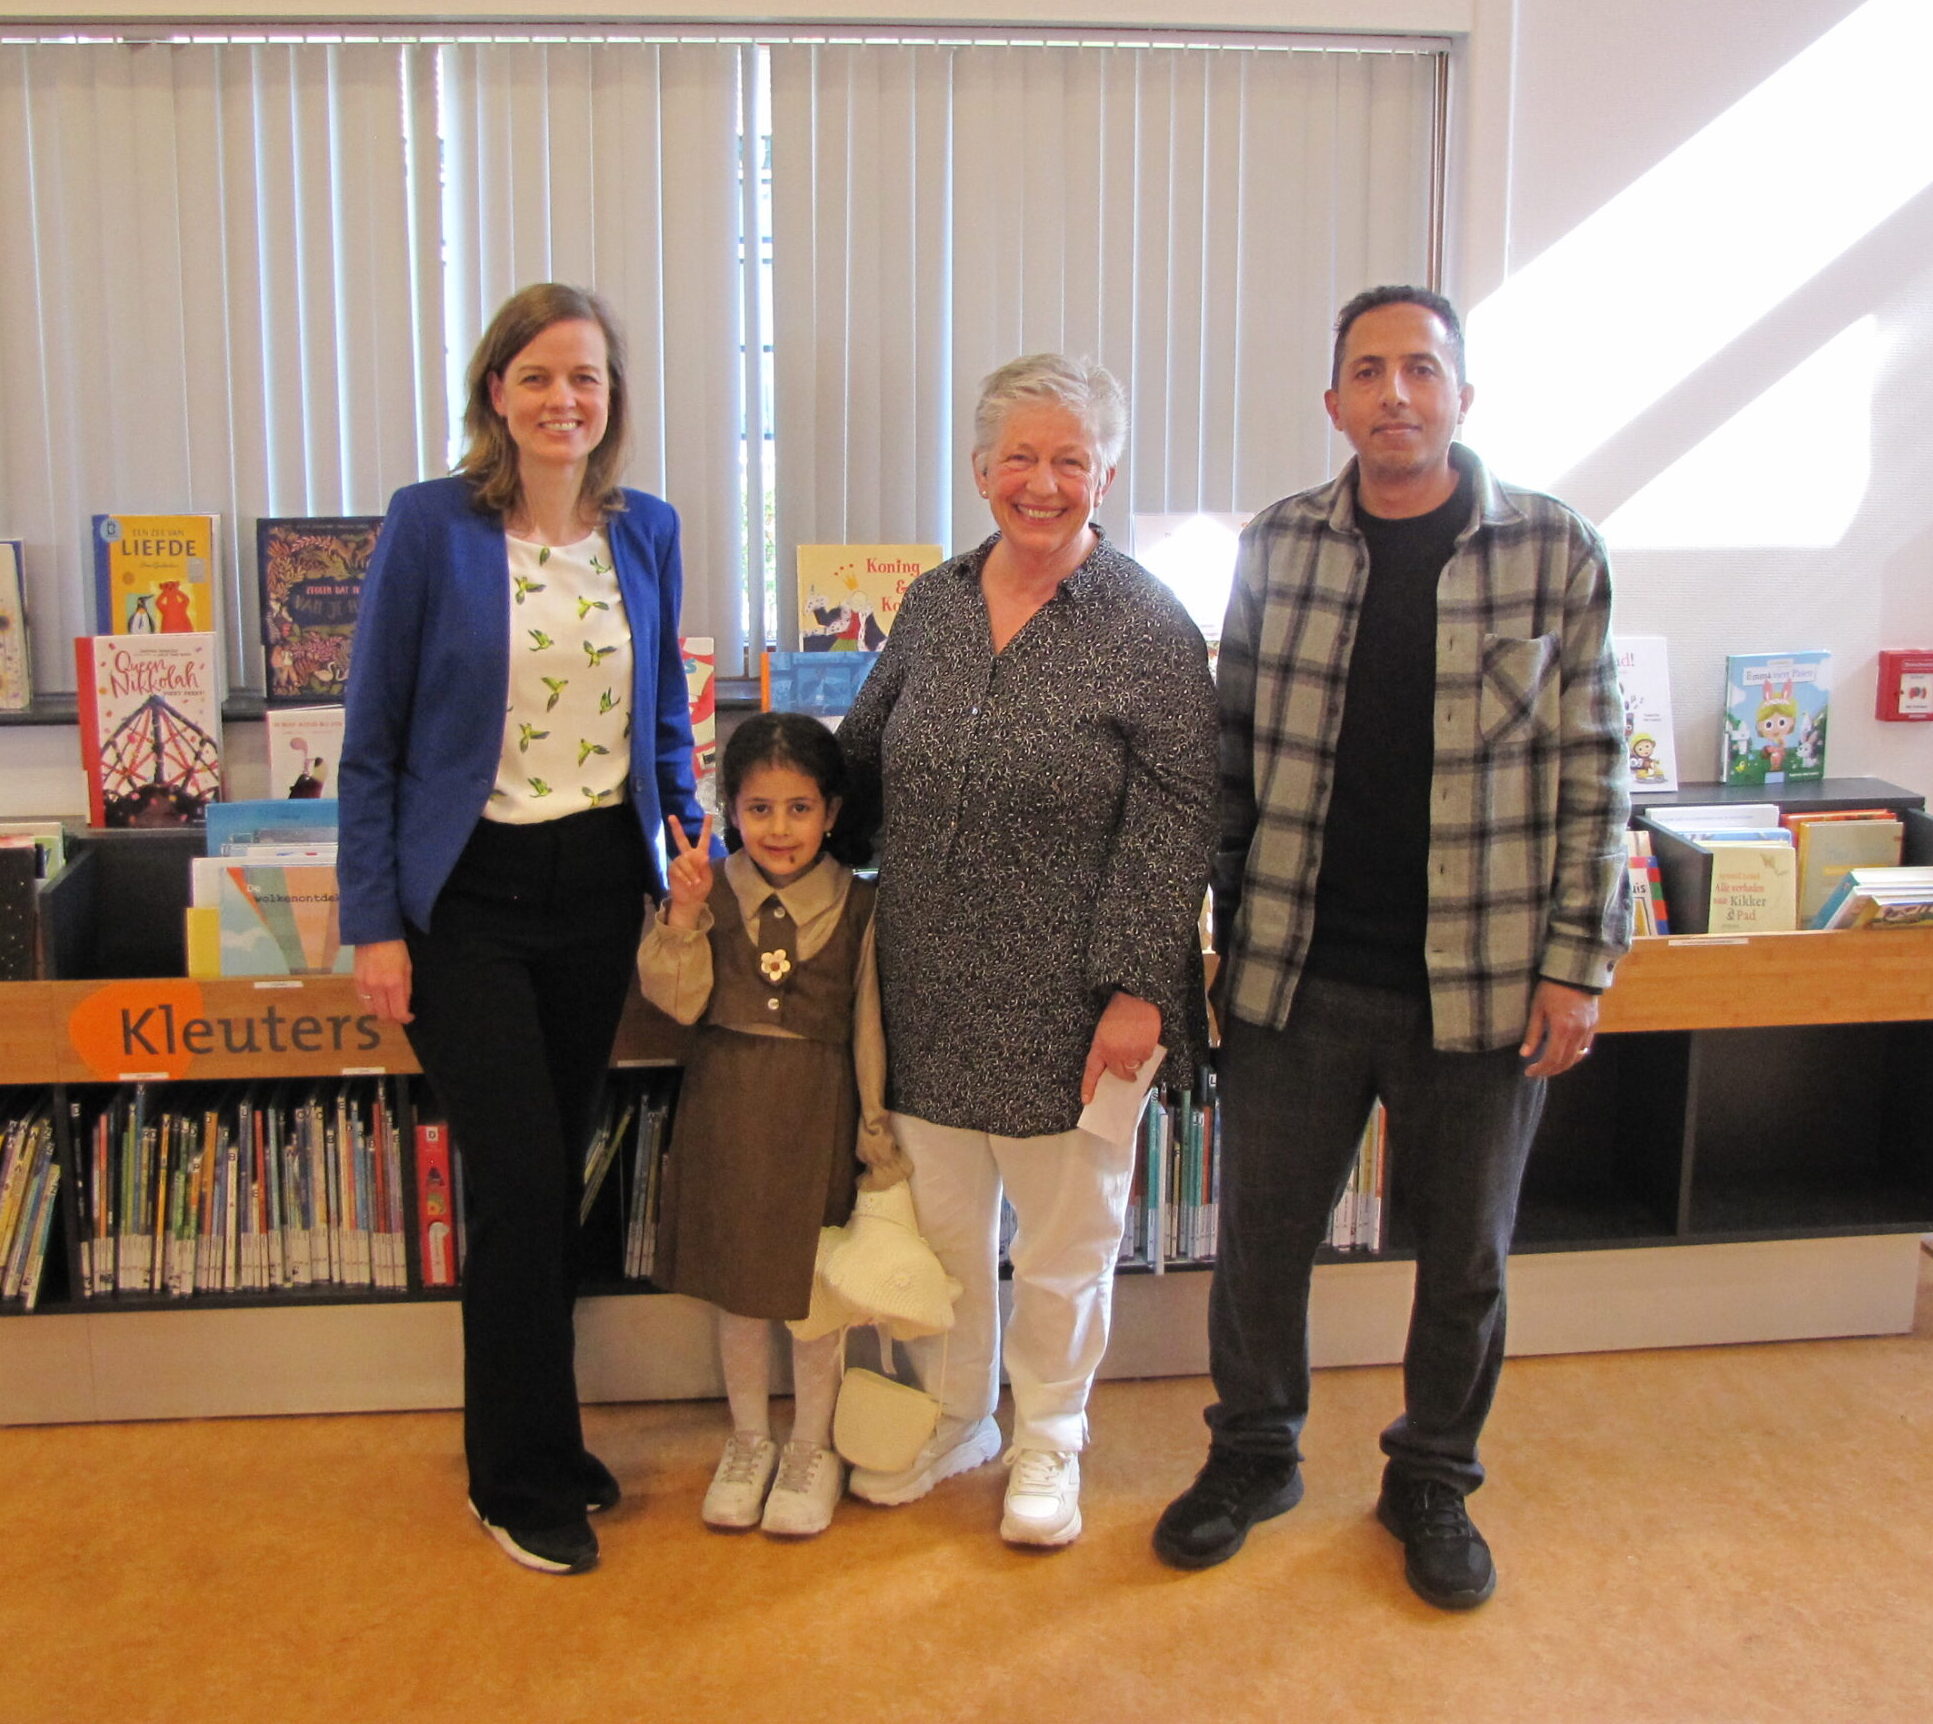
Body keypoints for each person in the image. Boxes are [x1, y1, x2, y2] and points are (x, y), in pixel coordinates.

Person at [1153, 286, 1631, 1608]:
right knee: (1258, 1243)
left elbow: (1599, 776)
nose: (1395, 395)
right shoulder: (1281, 546)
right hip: (1298, 972)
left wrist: (1576, 963)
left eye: (1421, 369)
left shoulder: (1553, 550)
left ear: (1463, 394)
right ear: (1334, 404)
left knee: (1466, 1255)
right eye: (1368, 372)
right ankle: (1253, 1454)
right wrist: (1214, 945)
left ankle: (1431, 1477)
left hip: (1480, 986)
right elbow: (1229, 763)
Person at [339, 282, 706, 1577]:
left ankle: (542, 1435)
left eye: (588, 379)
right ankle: (514, 1477)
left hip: (598, 890)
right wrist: (373, 925)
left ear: (612, 400)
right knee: (519, 1184)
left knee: (561, 1173)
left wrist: (688, 833)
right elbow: (373, 742)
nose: (565, 401)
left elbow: (662, 714)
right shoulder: (432, 526)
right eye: (540, 376)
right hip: (470, 908)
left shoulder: (646, 529)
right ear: (496, 390)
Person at [838, 353, 1218, 1547]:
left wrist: (1141, 990)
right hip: (932, 987)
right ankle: (958, 1416)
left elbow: (1173, 821)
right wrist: (754, 814)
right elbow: (858, 761)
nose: (1041, 482)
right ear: (979, 470)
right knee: (948, 1236)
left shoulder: (1150, 626)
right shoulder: (936, 602)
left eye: (1068, 458)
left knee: (1063, 1247)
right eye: (1018, 456)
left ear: (1105, 472)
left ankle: (1050, 1432)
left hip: (1075, 1002)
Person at [637, 711, 909, 1539]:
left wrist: (874, 1132)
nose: (779, 829)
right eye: (758, 809)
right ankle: (750, 1439)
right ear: (731, 810)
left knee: (813, 1294)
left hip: (818, 1108)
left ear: (830, 812)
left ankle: (810, 1447)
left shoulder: (863, 905)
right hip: (727, 1101)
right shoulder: (707, 890)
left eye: (798, 808)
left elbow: (867, 1023)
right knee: (739, 1287)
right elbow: (674, 1002)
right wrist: (681, 917)